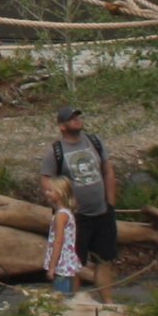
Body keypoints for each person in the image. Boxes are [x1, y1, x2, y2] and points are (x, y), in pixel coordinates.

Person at [45, 104, 120, 294]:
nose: (78, 120)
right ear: (62, 126)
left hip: (102, 212)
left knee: (105, 260)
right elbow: (47, 181)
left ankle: (109, 305)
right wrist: (62, 206)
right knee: (73, 264)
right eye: (72, 118)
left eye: (78, 116)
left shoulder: (95, 141)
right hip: (76, 218)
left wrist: (110, 203)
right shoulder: (55, 151)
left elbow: (108, 171)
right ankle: (75, 303)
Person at [40, 176, 83, 297]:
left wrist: (52, 267)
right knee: (69, 296)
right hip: (68, 262)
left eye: (50, 190)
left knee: (60, 298)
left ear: (60, 193)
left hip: (62, 264)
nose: (46, 193)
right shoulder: (67, 213)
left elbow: (58, 242)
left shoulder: (61, 216)